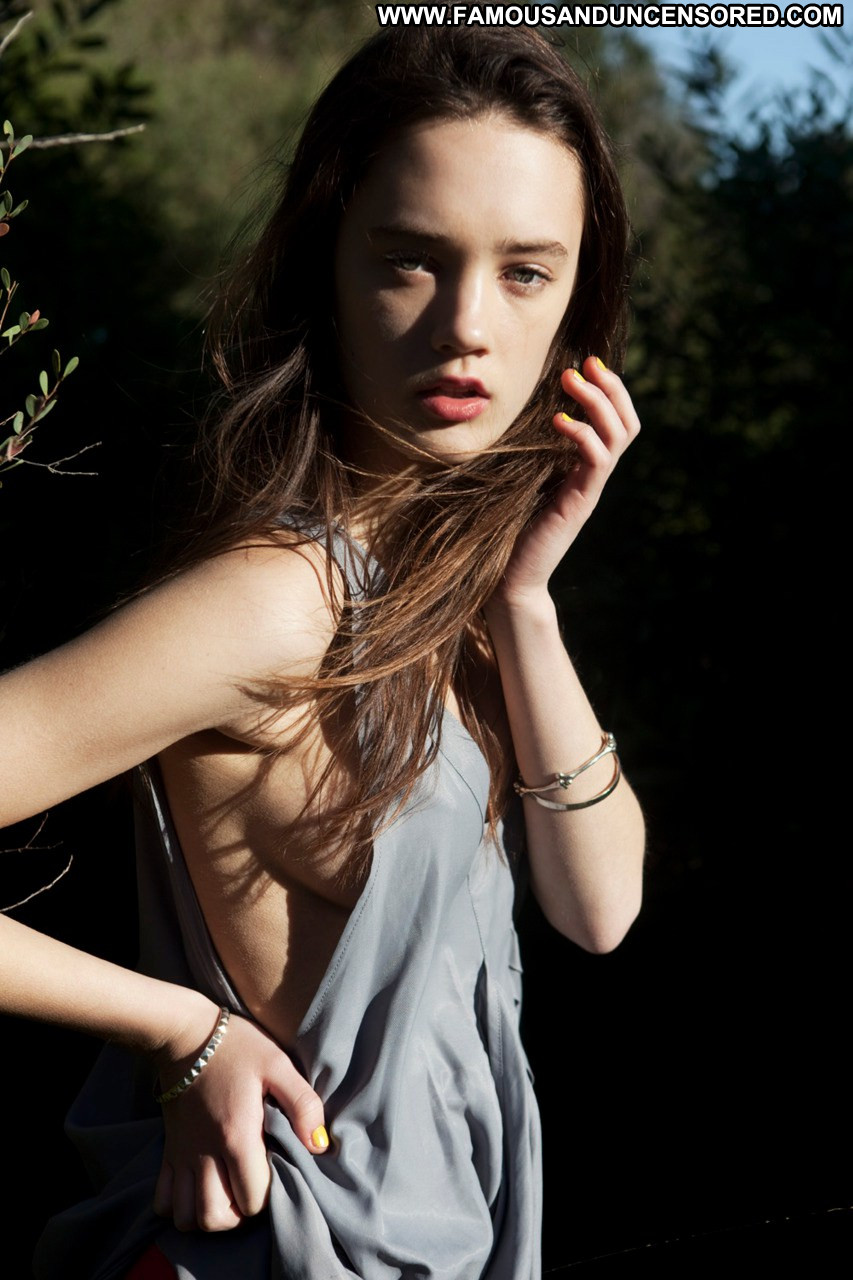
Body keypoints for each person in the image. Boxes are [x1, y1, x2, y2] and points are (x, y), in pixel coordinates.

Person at [1, 22, 645, 1280]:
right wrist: (182, 1029)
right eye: (410, 259)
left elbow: (599, 906)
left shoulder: (446, 606)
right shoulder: (278, 604)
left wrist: (525, 603)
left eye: (526, 271)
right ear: (326, 268)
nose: (467, 325)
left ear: (577, 303)